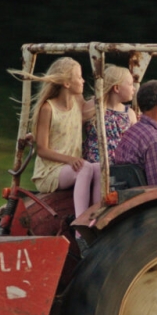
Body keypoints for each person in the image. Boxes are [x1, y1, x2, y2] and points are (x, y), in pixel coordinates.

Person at [29, 57, 101, 217]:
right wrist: (69, 159)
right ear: (67, 83)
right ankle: (81, 221)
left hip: (71, 167)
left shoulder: (78, 102)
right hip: (49, 172)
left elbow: (95, 107)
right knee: (86, 168)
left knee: (98, 168)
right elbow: (42, 150)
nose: (83, 81)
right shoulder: (48, 109)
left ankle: (96, 216)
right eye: (79, 77)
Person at [82, 64, 137, 164]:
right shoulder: (95, 106)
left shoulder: (130, 114)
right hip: (93, 164)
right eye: (130, 84)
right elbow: (74, 129)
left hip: (120, 165)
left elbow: (135, 143)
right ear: (116, 88)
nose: (134, 88)